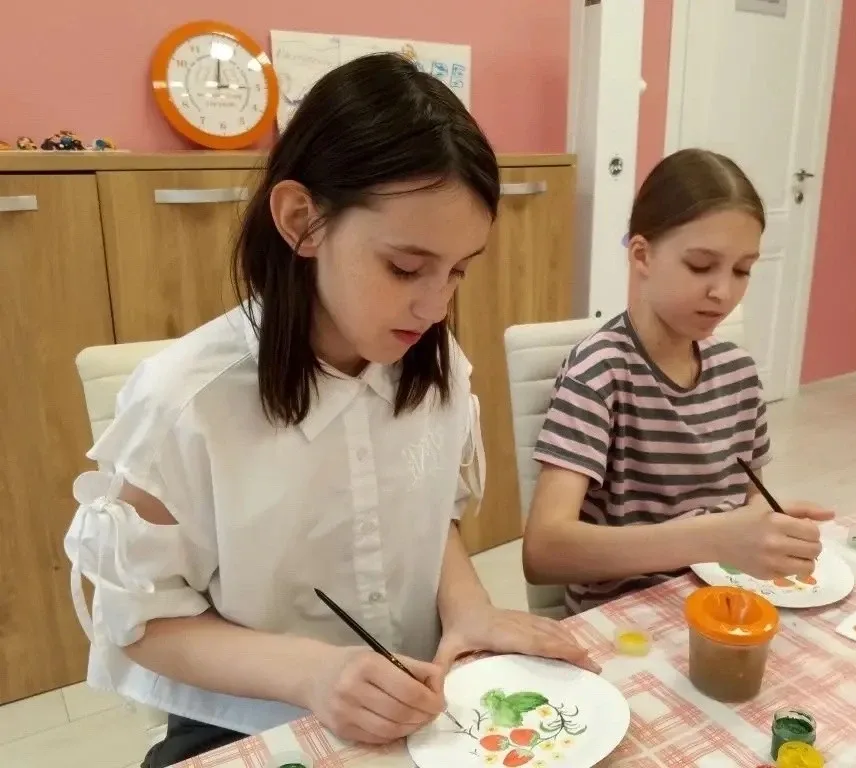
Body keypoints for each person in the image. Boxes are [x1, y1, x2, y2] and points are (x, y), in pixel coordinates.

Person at [64, 53, 594, 768]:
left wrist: (469, 611)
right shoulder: (184, 402)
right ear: (302, 221)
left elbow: (427, 513)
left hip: (415, 696)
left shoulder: (434, 365)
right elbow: (141, 621)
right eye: (405, 268)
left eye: (459, 271)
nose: (435, 306)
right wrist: (314, 673)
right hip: (250, 718)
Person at [522, 148, 835, 615]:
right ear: (642, 255)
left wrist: (768, 528)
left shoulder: (738, 374)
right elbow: (544, 552)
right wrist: (713, 538)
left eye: (742, 270)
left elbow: (751, 498)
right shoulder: (599, 372)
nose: (723, 292)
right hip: (626, 617)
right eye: (700, 265)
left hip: (723, 602)